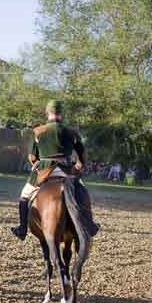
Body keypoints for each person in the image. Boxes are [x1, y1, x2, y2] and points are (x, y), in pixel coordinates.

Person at [11, 99, 99, 240]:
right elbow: (82, 155)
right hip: (67, 170)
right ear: (61, 114)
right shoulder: (72, 132)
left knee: (25, 196)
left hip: (44, 170)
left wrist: (36, 163)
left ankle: (22, 229)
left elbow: (32, 157)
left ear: (47, 113)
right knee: (82, 192)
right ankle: (90, 225)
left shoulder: (38, 131)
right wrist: (78, 167)